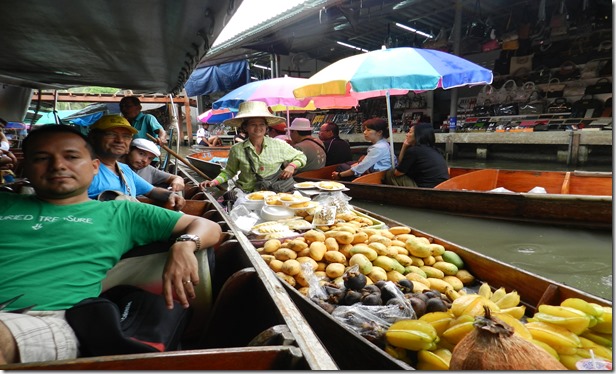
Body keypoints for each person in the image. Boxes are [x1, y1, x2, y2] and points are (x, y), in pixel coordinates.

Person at [0, 124, 222, 364]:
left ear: (94, 167)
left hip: (48, 317)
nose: (58, 166)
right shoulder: (5, 203)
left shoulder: (121, 212)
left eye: (71, 157)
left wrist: (185, 244)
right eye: (42, 158)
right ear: (25, 167)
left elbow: (208, 227)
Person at [199, 101, 306, 193]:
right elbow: (229, 172)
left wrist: (291, 166)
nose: (258, 128)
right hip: (246, 193)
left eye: (261, 124)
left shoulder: (279, 145)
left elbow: (301, 156)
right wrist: (213, 182)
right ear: (245, 127)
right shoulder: (237, 149)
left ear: (266, 127)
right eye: (253, 124)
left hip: (273, 192)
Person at [86, 115, 185, 211]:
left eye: (126, 136)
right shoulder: (84, 170)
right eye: (111, 134)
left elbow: (152, 191)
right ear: (93, 138)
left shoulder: (124, 169)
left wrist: (171, 195)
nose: (120, 140)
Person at [383, 123, 450, 187]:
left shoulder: (414, 151)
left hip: (426, 188)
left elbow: (398, 172)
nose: (407, 135)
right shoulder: (435, 150)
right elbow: (401, 166)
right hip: (441, 185)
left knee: (390, 174)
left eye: (410, 132)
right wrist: (404, 146)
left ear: (417, 135)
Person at [120, 96, 167, 165]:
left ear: (139, 108)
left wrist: (162, 138)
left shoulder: (147, 118)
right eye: (121, 106)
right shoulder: (124, 122)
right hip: (130, 158)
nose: (123, 109)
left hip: (148, 159)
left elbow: (161, 131)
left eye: (128, 106)